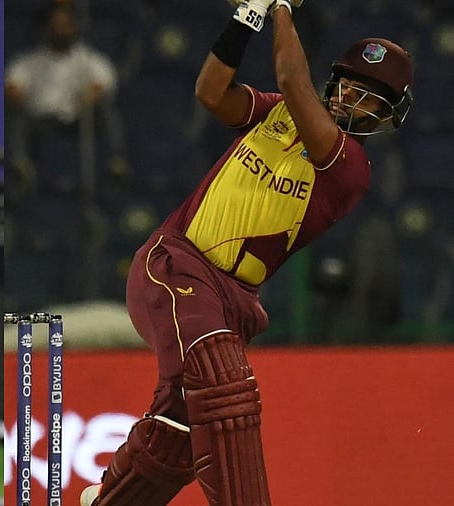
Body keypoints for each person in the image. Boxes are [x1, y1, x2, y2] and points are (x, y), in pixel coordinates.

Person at [80, 0, 413, 504]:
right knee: (226, 385)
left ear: (386, 116)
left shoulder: (350, 167)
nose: (351, 99)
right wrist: (247, 16)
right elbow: (211, 92)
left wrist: (281, 7)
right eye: (348, 85)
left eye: (370, 99)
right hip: (176, 265)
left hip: (229, 301)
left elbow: (294, 80)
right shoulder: (275, 111)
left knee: (179, 436)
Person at [4, 3, 123, 196]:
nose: (61, 30)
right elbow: (12, 84)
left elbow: (106, 79)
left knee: (105, 109)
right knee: (17, 116)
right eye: (56, 25)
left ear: (74, 27)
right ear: (47, 27)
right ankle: (20, 166)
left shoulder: (86, 57)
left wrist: (90, 95)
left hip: (76, 118)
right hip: (40, 119)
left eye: (65, 25)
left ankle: (115, 162)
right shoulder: (30, 60)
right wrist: (18, 95)